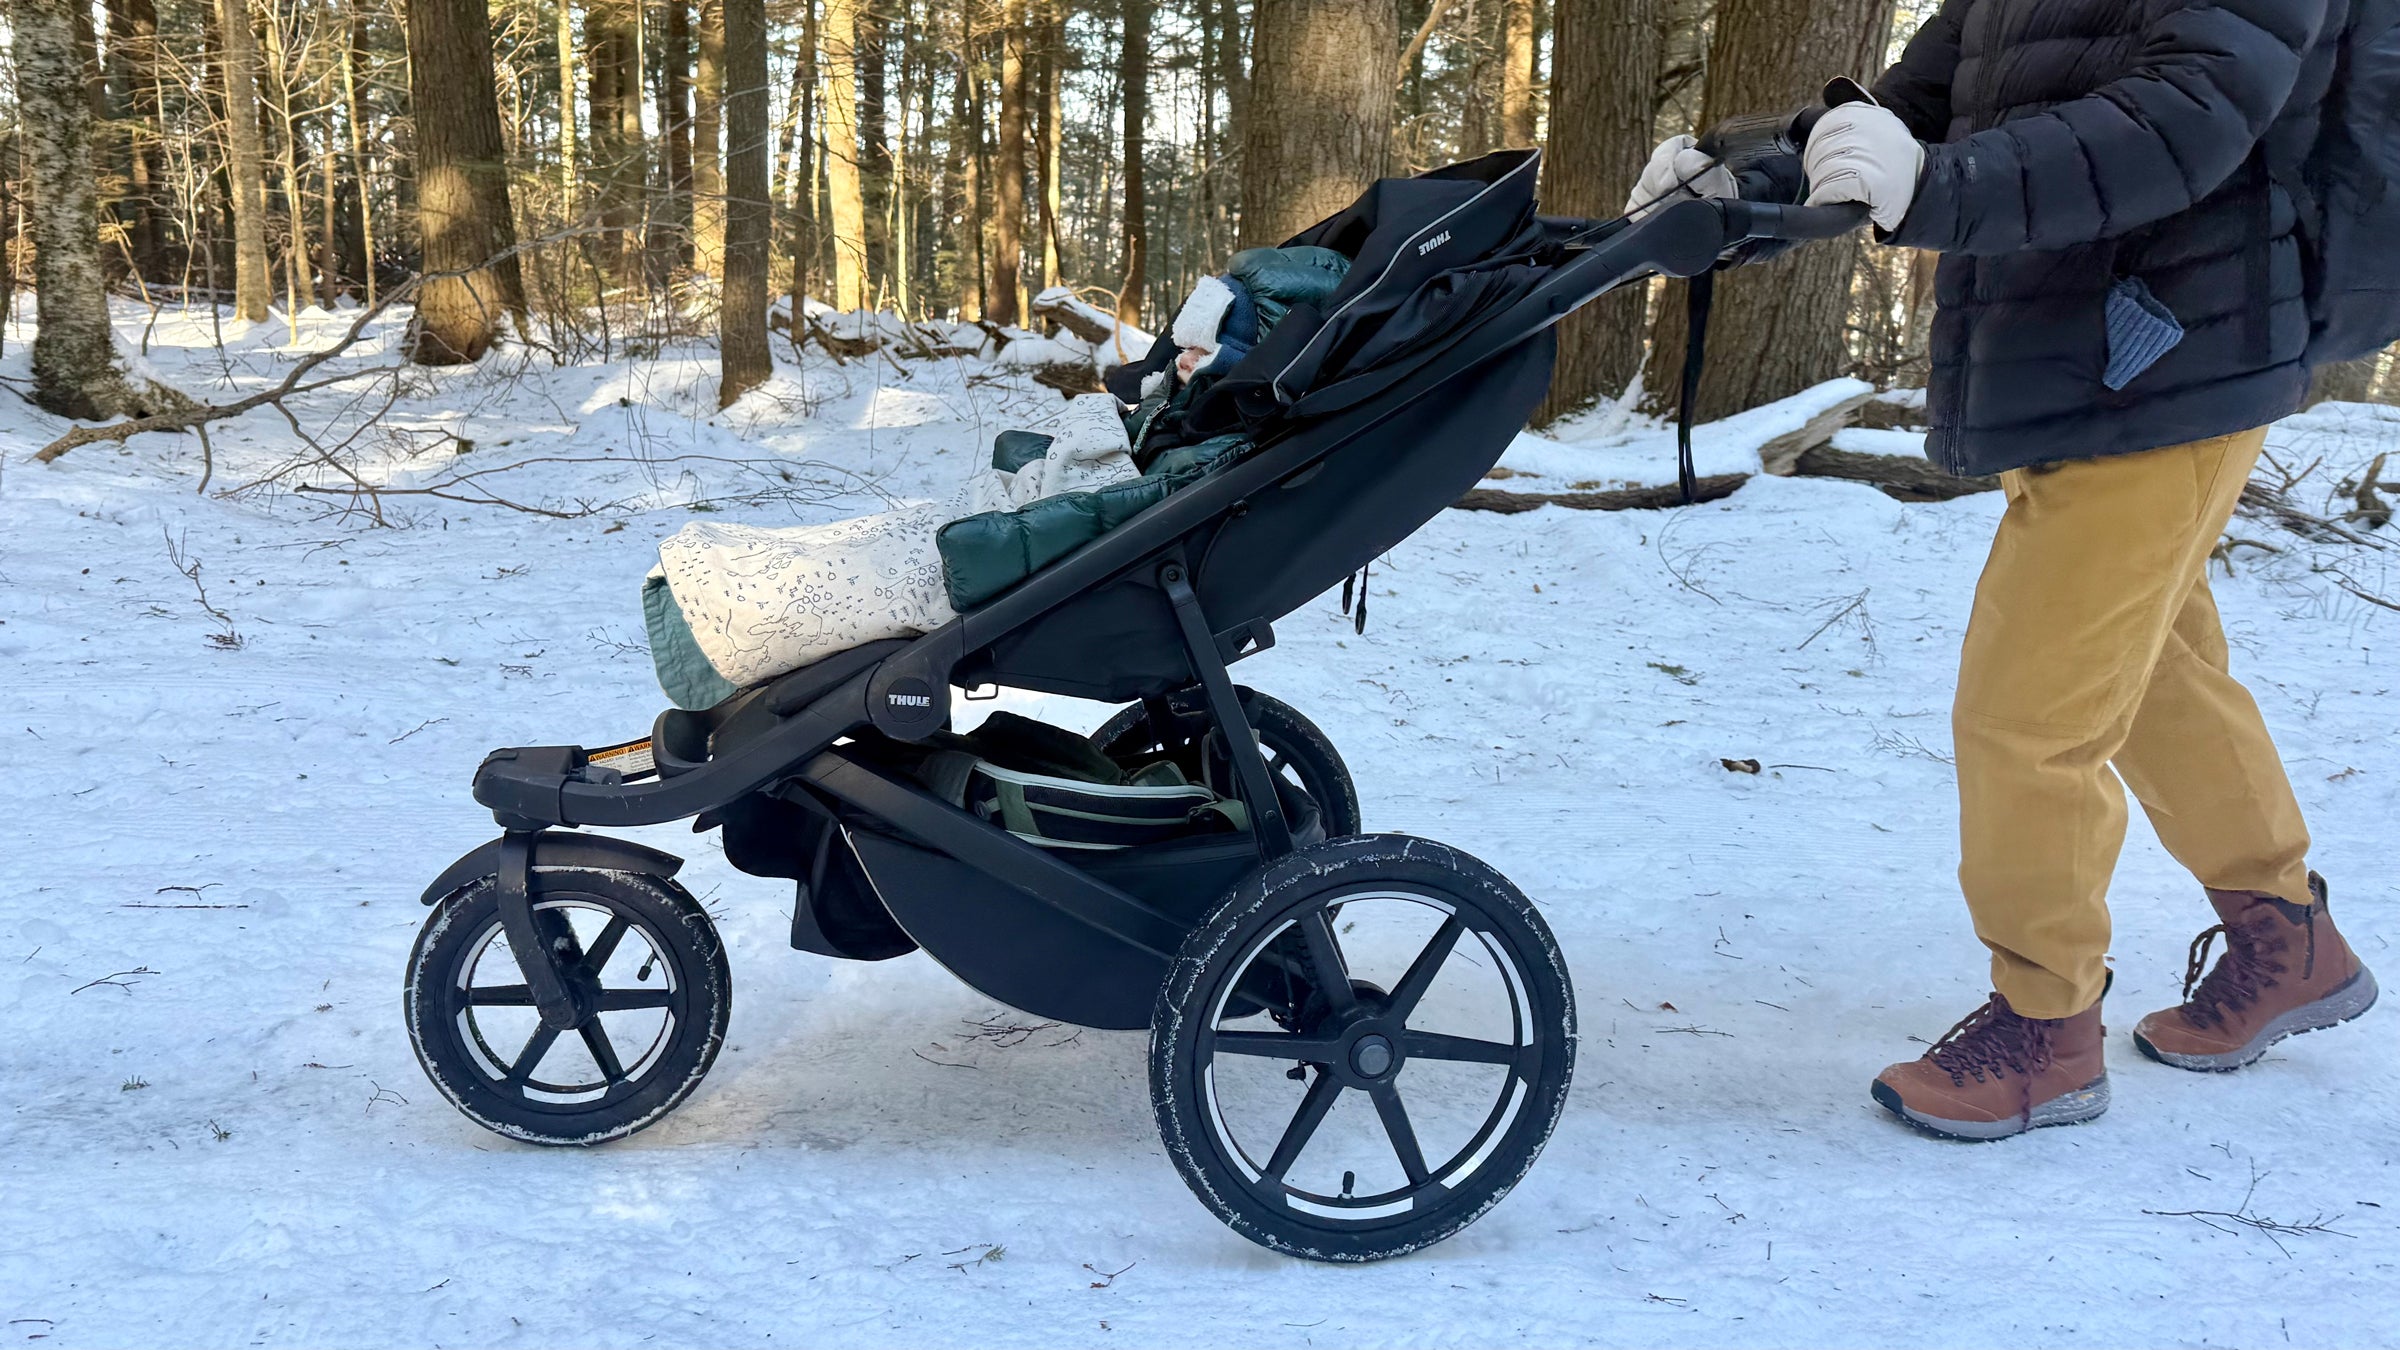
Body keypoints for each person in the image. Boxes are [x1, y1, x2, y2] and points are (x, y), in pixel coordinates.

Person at [1632, 0, 2380, 1140]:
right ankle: (2289, 940)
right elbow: (1916, 107)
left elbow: (2183, 119)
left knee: (2028, 717)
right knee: (2150, 674)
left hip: (2173, 355)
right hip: (2072, 355)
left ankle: (2047, 1026)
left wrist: (1935, 186)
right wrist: (1750, 179)